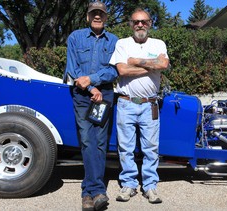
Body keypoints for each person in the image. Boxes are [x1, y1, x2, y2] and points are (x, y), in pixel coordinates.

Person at [109, 8, 170, 204]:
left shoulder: (158, 43)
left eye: (143, 21)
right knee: (125, 148)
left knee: (151, 148)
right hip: (126, 103)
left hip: (149, 104)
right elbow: (122, 70)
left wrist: (135, 61)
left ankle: (150, 186)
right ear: (131, 24)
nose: (140, 25)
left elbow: (163, 65)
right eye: (136, 22)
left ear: (150, 23)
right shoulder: (122, 43)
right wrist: (151, 65)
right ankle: (129, 184)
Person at [63, 1, 118, 210]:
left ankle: (88, 193)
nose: (97, 16)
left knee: (100, 142)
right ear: (87, 17)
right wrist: (90, 88)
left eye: (101, 14)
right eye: (93, 13)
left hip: (104, 95)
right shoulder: (75, 37)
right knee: (87, 140)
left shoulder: (114, 41)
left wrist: (93, 80)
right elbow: (72, 68)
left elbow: (114, 71)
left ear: (105, 18)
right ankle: (97, 191)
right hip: (82, 95)